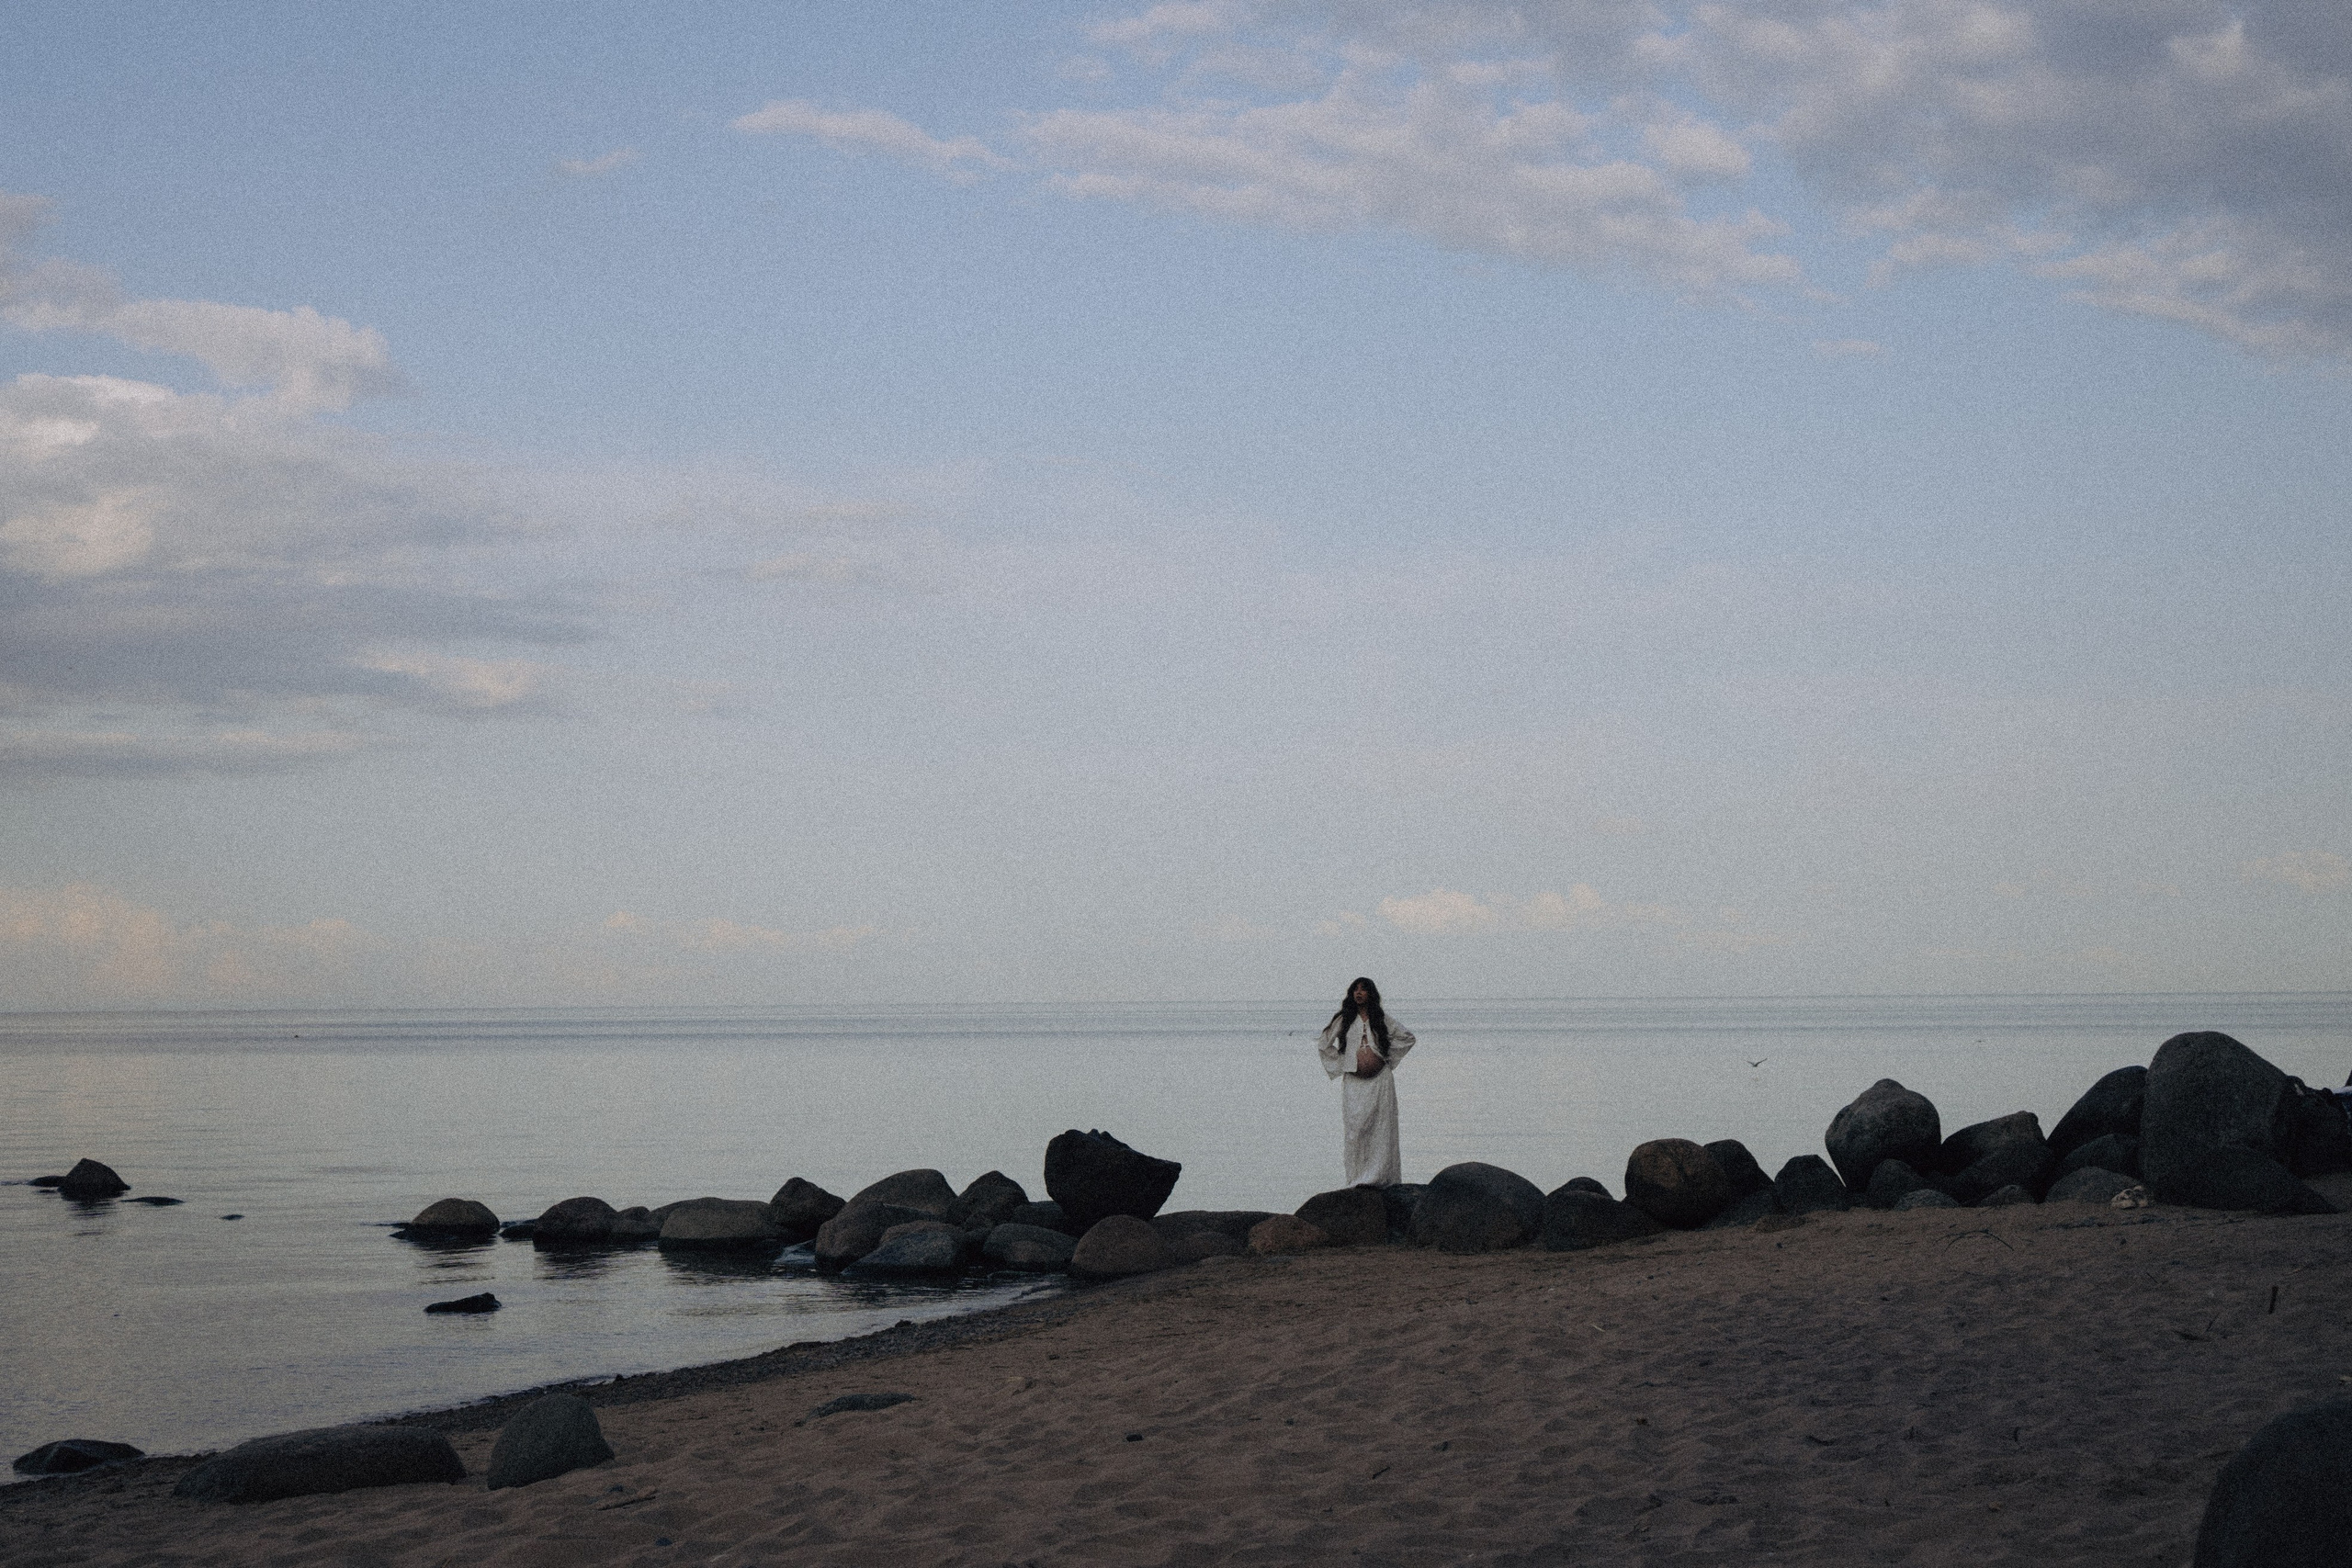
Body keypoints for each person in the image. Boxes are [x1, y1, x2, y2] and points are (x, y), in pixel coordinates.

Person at [1316, 976, 1416, 1188]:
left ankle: (1381, 1179)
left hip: (1380, 1081)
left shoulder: (1381, 1018)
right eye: (1355, 989)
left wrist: (1386, 1058)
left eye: (1363, 989)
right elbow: (1324, 1044)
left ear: (1371, 993)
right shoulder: (1344, 1018)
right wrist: (1343, 1063)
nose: (1359, 993)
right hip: (1354, 1083)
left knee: (1382, 1130)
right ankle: (1358, 1179)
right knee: (1356, 1131)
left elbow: (1407, 1037)